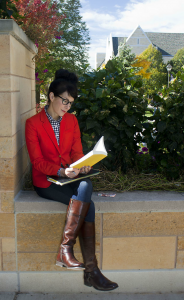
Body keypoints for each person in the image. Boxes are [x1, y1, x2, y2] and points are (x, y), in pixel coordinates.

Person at [25, 69, 118, 291]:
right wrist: (60, 171)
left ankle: (67, 252)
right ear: (51, 96)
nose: (67, 107)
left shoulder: (71, 121)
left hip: (70, 176)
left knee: (86, 183)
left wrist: (82, 164)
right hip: (46, 181)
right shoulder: (33, 124)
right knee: (90, 207)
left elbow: (76, 152)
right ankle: (90, 271)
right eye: (64, 101)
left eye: (70, 103)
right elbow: (37, 162)